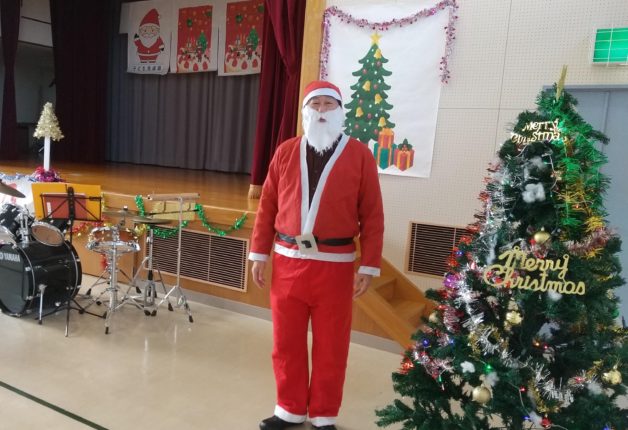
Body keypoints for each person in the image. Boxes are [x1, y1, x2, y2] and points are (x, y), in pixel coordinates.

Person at [249, 80, 384, 430]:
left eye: (328, 104)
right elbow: (268, 206)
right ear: (305, 111)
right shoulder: (285, 151)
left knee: (332, 346)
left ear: (340, 111)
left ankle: (324, 414)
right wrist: (259, 253)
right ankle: (289, 408)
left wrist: (368, 265)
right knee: (286, 342)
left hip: (335, 268)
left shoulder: (360, 155)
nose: (322, 111)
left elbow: (372, 215)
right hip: (287, 263)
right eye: (316, 104)